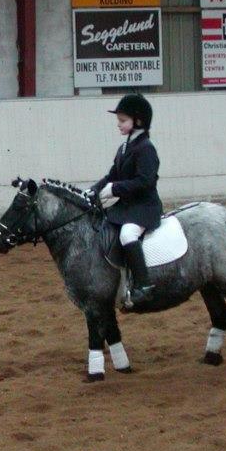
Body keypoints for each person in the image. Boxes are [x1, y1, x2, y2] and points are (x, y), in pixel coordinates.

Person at [89, 93, 163, 306]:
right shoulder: (124, 148)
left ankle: (143, 284)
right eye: (119, 121)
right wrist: (94, 190)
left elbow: (146, 182)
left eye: (122, 121)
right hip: (127, 207)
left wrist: (115, 189)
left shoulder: (146, 148)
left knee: (128, 233)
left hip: (144, 208)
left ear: (138, 121)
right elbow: (112, 175)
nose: (118, 125)